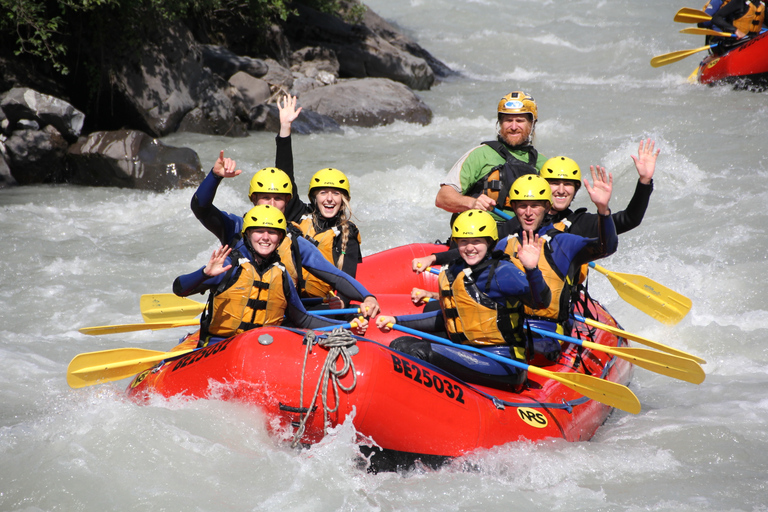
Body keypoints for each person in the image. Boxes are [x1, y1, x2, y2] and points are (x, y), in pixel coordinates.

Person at [411, 140, 656, 272]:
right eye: (553, 183)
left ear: (576, 191)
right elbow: (482, 246)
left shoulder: (580, 223)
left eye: (567, 185)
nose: (560, 189)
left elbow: (629, 220)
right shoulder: (522, 221)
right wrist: (435, 257)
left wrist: (643, 182)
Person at [375, 209, 551, 391]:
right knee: (400, 344)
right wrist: (396, 321)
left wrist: (532, 270)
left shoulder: (503, 272)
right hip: (468, 353)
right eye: (464, 242)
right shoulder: (455, 271)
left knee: (416, 352)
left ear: (490, 242)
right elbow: (448, 317)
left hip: (503, 362)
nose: (469, 247)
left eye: (477, 241)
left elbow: (540, 303)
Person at [189, 151, 380, 318]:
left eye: (278, 199)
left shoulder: (295, 240)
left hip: (278, 322)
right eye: (265, 197)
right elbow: (201, 208)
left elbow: (336, 276)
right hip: (233, 326)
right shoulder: (234, 227)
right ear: (253, 199)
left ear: (287, 203)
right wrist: (214, 176)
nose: (271, 204)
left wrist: (367, 297)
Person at [173, 205, 367, 347]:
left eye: (272, 233)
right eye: (259, 231)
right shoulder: (228, 266)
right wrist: (204, 274)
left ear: (280, 238)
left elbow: (304, 320)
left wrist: (347, 327)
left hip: (263, 348)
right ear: (247, 235)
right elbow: (179, 289)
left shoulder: (281, 275)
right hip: (220, 347)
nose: (265, 237)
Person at [494, 173, 618, 364]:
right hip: (510, 328)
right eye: (522, 206)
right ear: (513, 208)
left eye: (535, 206)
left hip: (546, 335)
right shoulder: (503, 244)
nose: (528, 212)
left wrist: (603, 210)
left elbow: (606, 247)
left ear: (547, 207)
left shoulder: (563, 242)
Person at [435, 91, 547, 223]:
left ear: (532, 124)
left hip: (524, 235)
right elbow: (442, 198)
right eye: (508, 120)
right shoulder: (480, 155)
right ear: (500, 123)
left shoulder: (543, 164)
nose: (514, 127)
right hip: (483, 235)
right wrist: (472, 203)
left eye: (520, 121)